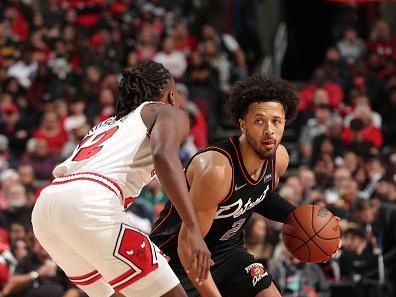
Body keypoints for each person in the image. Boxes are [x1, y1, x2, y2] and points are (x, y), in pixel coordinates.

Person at [31, 61, 212, 297]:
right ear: (170, 94)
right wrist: (193, 228)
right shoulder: (165, 111)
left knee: (118, 293)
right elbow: (163, 156)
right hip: (90, 202)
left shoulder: (106, 124)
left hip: (47, 209)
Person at [151, 75, 301, 297]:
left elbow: (258, 195)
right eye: (259, 121)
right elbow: (187, 244)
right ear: (243, 124)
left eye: (276, 121)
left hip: (227, 252)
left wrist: (302, 220)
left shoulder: (278, 158)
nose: (269, 130)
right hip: (177, 260)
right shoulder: (217, 169)